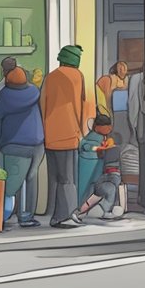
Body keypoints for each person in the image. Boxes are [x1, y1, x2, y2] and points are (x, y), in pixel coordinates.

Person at [41, 44, 92, 229]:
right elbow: (81, 105)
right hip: (69, 134)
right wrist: (81, 132)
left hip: (50, 134)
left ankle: (55, 214)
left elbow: (42, 104)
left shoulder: (51, 77)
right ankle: (66, 215)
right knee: (68, 178)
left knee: (55, 177)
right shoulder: (76, 76)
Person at [0, 67, 44, 228]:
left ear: (7, 80)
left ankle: (3, 216)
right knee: (30, 178)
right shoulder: (34, 92)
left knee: (11, 182)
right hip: (36, 143)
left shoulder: (2, 97)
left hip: (14, 144)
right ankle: (26, 215)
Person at [74, 116, 122, 219]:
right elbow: (86, 146)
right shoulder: (92, 138)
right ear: (97, 127)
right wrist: (98, 148)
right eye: (106, 126)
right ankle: (79, 210)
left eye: (109, 126)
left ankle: (94, 209)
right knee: (84, 191)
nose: (109, 128)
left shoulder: (105, 138)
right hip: (88, 170)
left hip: (97, 173)